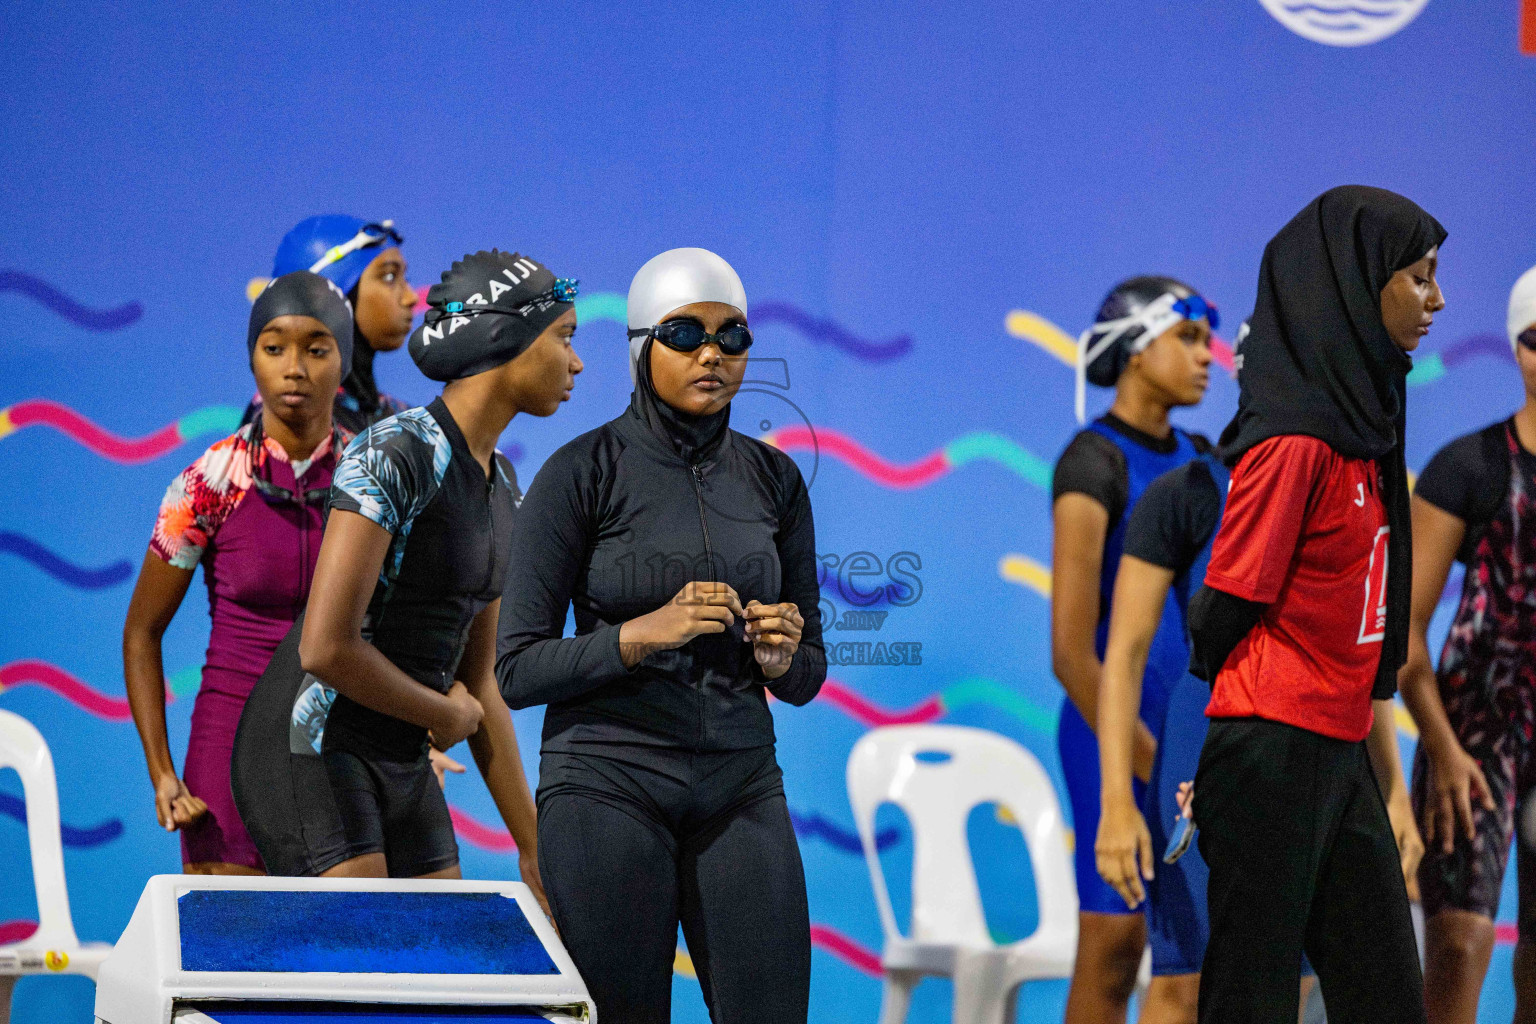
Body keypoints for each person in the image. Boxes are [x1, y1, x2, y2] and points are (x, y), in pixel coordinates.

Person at [496, 247, 826, 1024]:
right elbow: (516, 670)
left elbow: (807, 674)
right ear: (642, 345)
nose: (712, 353)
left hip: (740, 780)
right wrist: (644, 633)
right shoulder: (580, 474)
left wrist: (781, 659)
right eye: (685, 333)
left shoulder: (775, 481)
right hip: (608, 780)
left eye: (732, 335)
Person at [233, 249, 579, 902]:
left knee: (437, 991)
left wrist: (534, 847)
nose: (576, 362)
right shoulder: (394, 451)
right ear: (506, 335)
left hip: (402, 759)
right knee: (366, 987)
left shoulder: (503, 485)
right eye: (564, 337)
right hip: (312, 745)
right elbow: (325, 648)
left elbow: (482, 685)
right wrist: (439, 709)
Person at [1186, 185, 1445, 1023]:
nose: (1436, 299)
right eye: (1419, 277)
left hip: (1338, 747)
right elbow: (1225, 599)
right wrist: (1229, 750)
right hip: (1271, 744)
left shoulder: (1362, 430)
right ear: (1357, 285)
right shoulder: (1295, 440)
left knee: (1387, 999)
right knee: (1252, 1002)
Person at [1095, 427, 1420, 1021]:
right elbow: (1124, 654)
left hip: (1311, 746)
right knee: (1184, 980)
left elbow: (1359, 651)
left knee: (1285, 983)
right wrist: (1118, 799)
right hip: (1215, 733)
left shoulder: (1354, 480)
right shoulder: (1189, 493)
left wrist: (1392, 786)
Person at [123, 271, 354, 874]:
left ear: (344, 361)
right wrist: (163, 774)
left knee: (345, 952)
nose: (294, 367)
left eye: (316, 349)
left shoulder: (374, 476)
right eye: (273, 347)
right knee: (233, 958)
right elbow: (142, 632)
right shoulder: (207, 482)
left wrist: (417, 734)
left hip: (344, 741)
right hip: (227, 749)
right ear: (253, 359)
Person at [1051, 275, 1215, 1023]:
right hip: (1108, 730)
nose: (1207, 355)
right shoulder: (1093, 461)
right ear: (1134, 349)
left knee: (1190, 954)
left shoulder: (1208, 460)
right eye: (1187, 337)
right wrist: (1148, 763)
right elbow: (1071, 651)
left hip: (1185, 733)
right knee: (1115, 943)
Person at [1401, 263, 1536, 1023]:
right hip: (1473, 738)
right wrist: (1444, 749)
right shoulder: (1468, 468)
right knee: (1458, 944)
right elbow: (1405, 638)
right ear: (1517, 350)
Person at [243, 216, 418, 433]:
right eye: (390, 277)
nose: (411, 297)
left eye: (405, 279)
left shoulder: (401, 419)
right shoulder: (283, 418)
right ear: (327, 293)